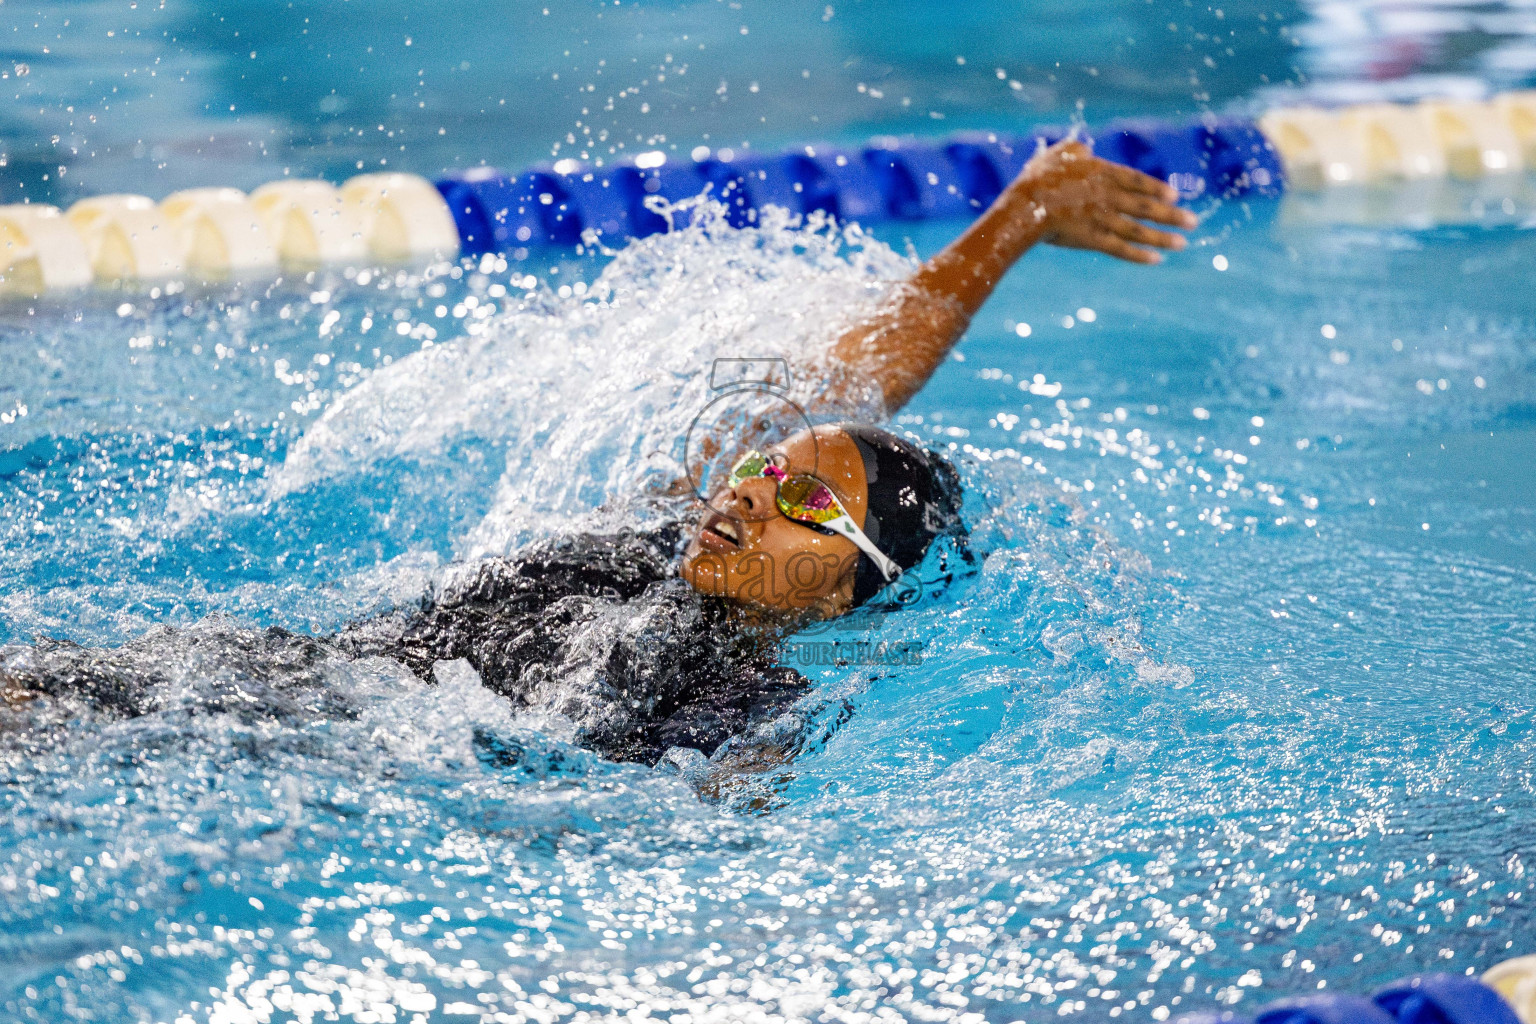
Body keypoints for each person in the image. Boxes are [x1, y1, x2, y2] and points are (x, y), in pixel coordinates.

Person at [0, 140, 1194, 770]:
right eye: (765, 470)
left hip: (293, 766)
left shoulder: (750, 706)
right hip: (250, 675)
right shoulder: (664, 537)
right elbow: (853, 376)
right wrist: (1017, 216)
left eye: (802, 499)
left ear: (850, 583)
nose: (750, 489)